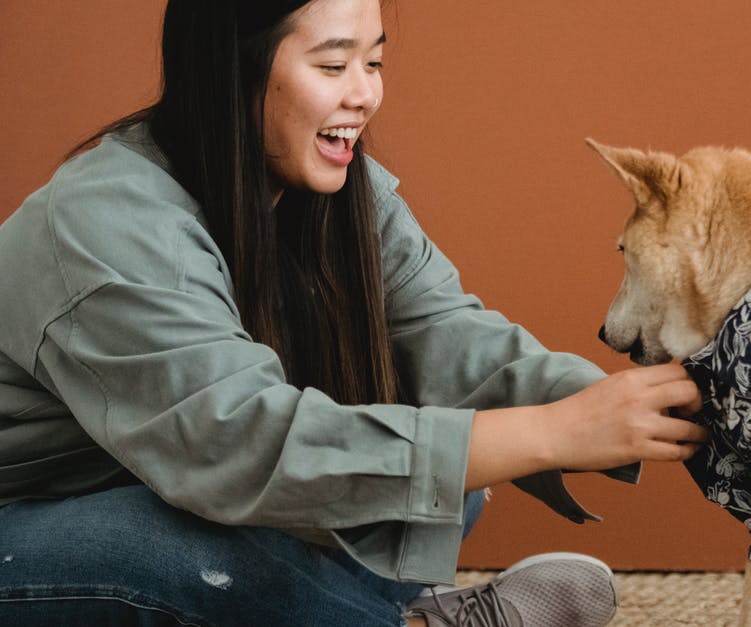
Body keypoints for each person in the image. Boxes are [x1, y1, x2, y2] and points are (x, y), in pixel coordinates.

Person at [0, 1, 706, 625]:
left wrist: (682, 408)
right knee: (195, 551)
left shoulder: (336, 189)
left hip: (161, 476)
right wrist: (552, 433)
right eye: (334, 64)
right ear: (231, 67)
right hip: (27, 522)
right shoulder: (105, 223)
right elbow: (243, 446)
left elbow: (451, 339)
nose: (365, 94)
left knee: (442, 491)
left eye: (373, 61)